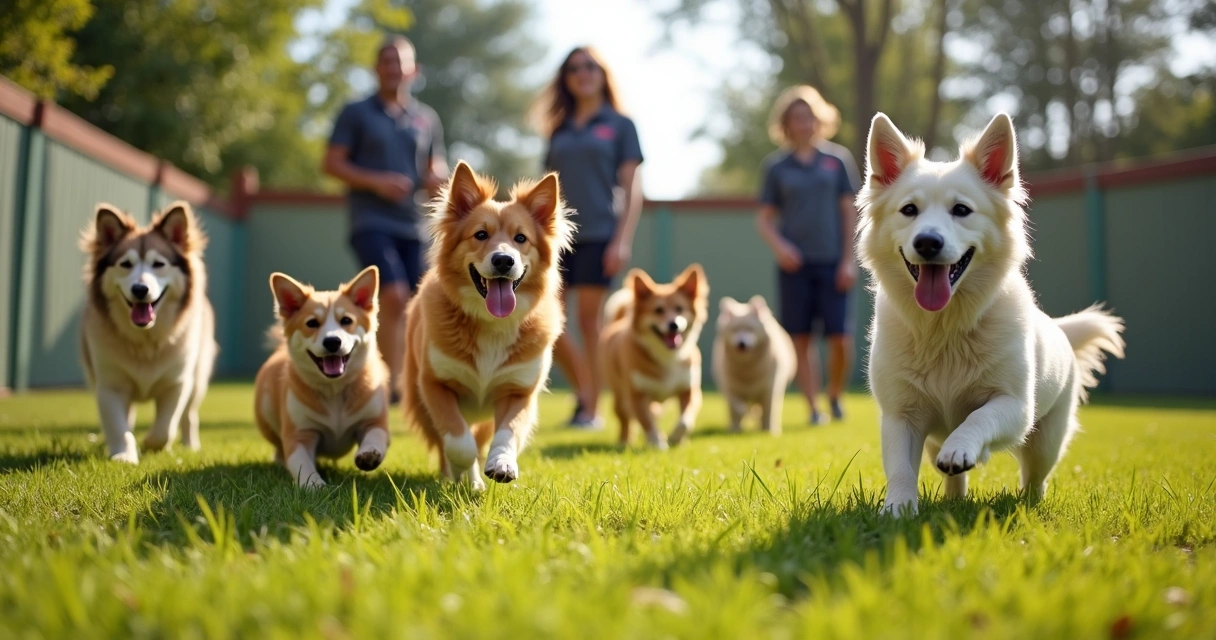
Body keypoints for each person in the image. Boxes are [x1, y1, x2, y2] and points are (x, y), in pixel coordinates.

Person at [322, 35, 448, 405]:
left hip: (414, 224)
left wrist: (437, 176)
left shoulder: (426, 119)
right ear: (376, 69)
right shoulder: (356, 113)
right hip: (370, 220)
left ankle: (411, 380)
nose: (393, 68)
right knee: (392, 295)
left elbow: (433, 166)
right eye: (386, 61)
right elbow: (331, 163)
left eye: (400, 61)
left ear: (414, 70)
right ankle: (389, 387)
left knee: (419, 303)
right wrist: (376, 182)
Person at [530, 46, 644, 429]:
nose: (583, 73)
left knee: (587, 319)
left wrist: (621, 239)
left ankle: (592, 409)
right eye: (575, 68)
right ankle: (586, 392)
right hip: (553, 239)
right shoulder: (559, 129)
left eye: (591, 66)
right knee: (545, 318)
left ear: (603, 74)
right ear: (566, 78)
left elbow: (632, 188)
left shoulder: (621, 125)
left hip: (600, 234)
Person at [755, 85, 861, 425]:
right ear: (786, 124)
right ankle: (814, 408)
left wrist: (849, 259)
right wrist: (781, 247)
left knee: (840, 338)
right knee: (800, 338)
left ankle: (835, 395)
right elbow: (764, 220)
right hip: (794, 266)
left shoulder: (837, 161)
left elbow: (850, 212)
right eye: (797, 117)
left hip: (833, 262)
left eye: (809, 116)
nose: (804, 123)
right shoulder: (776, 167)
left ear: (821, 119)